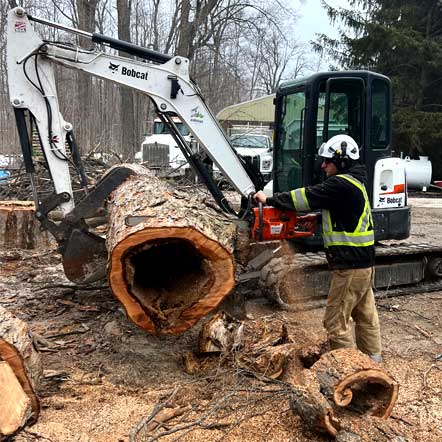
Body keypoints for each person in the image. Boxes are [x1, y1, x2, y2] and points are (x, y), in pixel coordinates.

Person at [254, 134, 382, 363]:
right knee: (366, 316)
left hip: (349, 266)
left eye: (327, 161)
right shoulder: (355, 183)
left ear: (341, 161)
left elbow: (305, 196)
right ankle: (373, 363)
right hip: (364, 265)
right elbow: (346, 216)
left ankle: (346, 369)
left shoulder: (339, 184)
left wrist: (270, 199)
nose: (323, 166)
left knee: (335, 322)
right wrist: (321, 217)